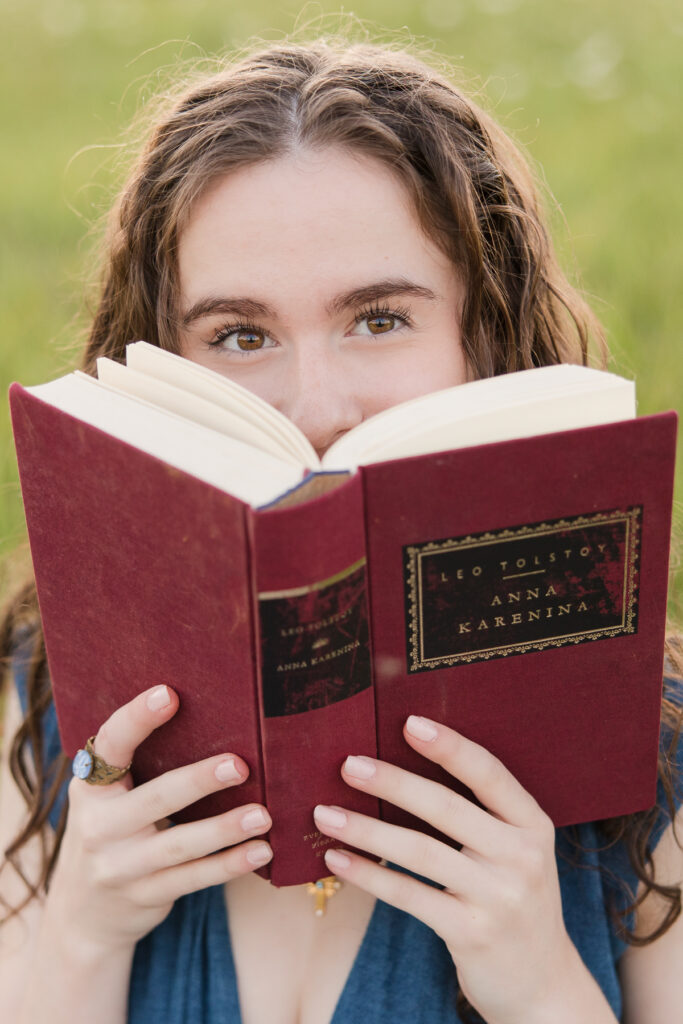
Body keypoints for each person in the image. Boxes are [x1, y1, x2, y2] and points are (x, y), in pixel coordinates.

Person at [1, 37, 682, 1024]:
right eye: (240, 335)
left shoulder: (654, 762)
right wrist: (82, 937)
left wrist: (539, 984)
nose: (318, 407)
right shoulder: (40, 716)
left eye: (377, 317)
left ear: (479, 340)